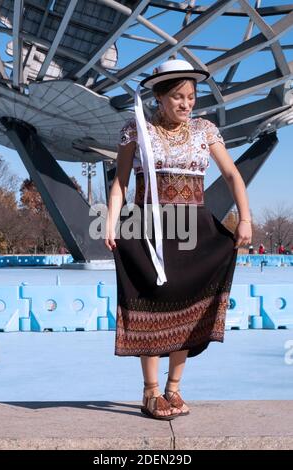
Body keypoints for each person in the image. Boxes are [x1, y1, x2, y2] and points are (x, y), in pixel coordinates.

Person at [105, 59, 252, 421]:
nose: (187, 104)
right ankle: (151, 391)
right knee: (152, 301)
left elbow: (232, 174)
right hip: (149, 226)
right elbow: (121, 182)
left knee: (188, 302)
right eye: (178, 97)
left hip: (194, 229)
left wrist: (245, 219)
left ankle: (174, 387)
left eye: (191, 97)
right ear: (159, 98)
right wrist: (111, 221)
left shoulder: (205, 130)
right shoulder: (136, 129)